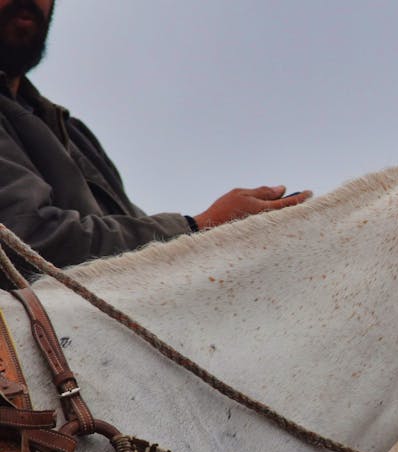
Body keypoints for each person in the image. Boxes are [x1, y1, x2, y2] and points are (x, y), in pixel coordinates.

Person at [0, 0, 311, 278]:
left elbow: (132, 237)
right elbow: (27, 240)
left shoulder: (72, 133)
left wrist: (229, 237)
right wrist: (198, 227)